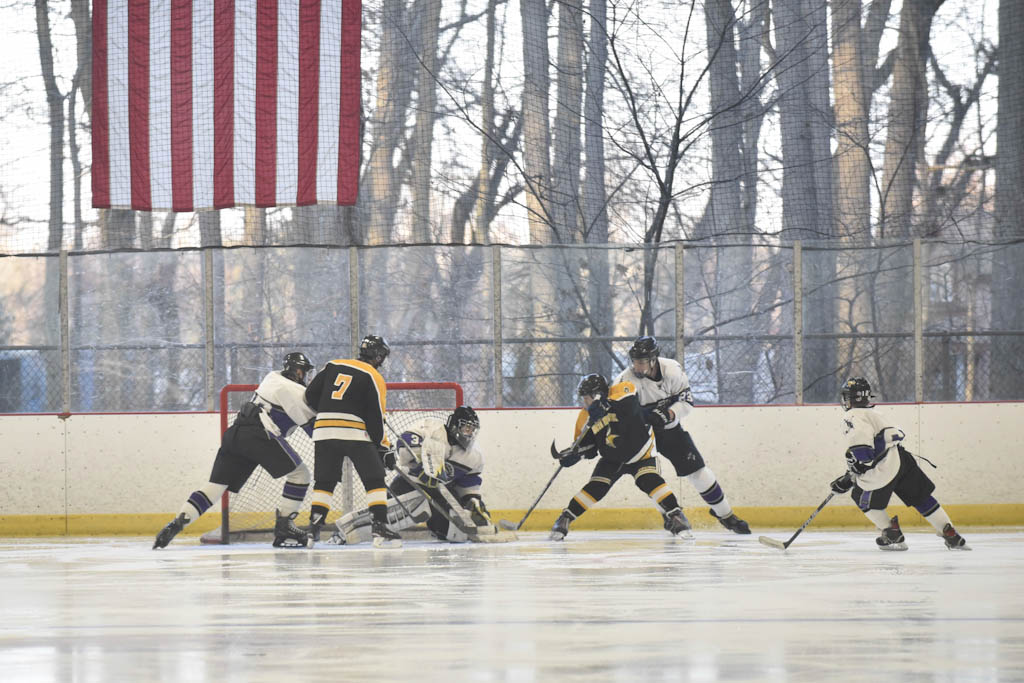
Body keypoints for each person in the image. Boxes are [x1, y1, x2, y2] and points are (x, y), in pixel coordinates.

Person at [153, 352, 317, 549]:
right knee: (300, 475)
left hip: (235, 433)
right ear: (298, 372)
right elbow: (313, 428)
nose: (306, 377)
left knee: (215, 487)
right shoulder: (292, 390)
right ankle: (285, 527)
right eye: (305, 373)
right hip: (259, 436)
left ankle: (179, 521)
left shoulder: (272, 377)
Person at [615, 336, 750, 535]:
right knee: (650, 477)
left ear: (654, 360)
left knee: (698, 471)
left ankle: (726, 515)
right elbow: (619, 418)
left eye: (642, 362)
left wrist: (668, 414)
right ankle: (668, 514)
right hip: (641, 437)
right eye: (634, 361)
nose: (637, 366)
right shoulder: (624, 381)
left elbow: (687, 403)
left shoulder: (672, 371)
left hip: (670, 430)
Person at [829, 377, 970, 551]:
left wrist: (851, 477)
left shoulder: (851, 416)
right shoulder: (875, 414)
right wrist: (850, 474)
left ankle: (892, 533)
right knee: (921, 497)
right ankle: (950, 533)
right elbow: (894, 436)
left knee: (862, 498)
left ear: (849, 398)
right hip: (901, 460)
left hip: (883, 467)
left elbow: (864, 455)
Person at [549, 373, 692, 541]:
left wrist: (604, 406)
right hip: (612, 457)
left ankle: (676, 515)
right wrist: (575, 455)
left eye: (586, 398)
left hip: (640, 453)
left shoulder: (622, 390)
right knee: (596, 486)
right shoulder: (585, 416)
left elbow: (631, 408)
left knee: (649, 480)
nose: (584, 402)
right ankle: (565, 518)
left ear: (597, 394)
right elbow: (589, 447)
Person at [330, 406, 494, 544]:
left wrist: (473, 502)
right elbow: (404, 444)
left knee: (457, 535)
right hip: (410, 482)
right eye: (466, 428)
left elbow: (468, 485)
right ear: (454, 425)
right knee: (386, 513)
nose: (469, 434)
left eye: (472, 430)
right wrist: (420, 466)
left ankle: (436, 526)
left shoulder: (474, 456)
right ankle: (343, 534)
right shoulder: (431, 428)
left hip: (441, 493)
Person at [304, 334, 401, 548]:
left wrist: (331, 411)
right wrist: (383, 447)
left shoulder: (332, 364)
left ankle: (313, 529)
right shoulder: (373, 375)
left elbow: (309, 396)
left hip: (324, 432)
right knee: (375, 478)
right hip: (354, 433)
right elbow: (376, 417)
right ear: (377, 356)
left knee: (325, 482)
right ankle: (380, 526)